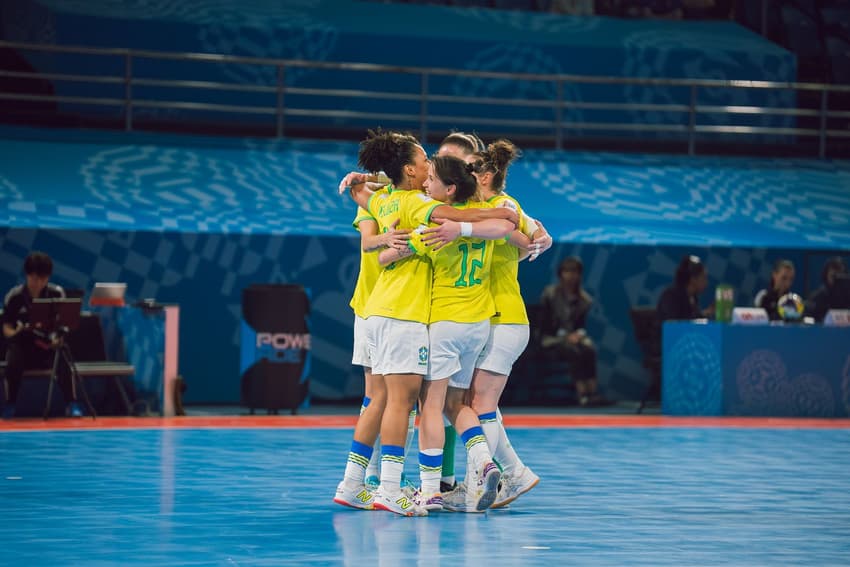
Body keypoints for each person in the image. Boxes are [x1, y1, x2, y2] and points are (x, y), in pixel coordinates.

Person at [337, 129, 518, 516]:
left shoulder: (384, 199)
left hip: (376, 309)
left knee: (380, 400)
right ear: (409, 170)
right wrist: (502, 213)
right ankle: (393, 488)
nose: (428, 166)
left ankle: (354, 483)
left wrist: (367, 187)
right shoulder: (418, 204)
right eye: (424, 162)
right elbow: (456, 215)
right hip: (408, 315)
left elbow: (372, 233)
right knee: (406, 404)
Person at [378, 154, 514, 512]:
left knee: (431, 406)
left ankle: (430, 491)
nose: (426, 184)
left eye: (432, 179)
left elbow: (385, 258)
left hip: (445, 323)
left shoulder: (435, 225)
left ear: (450, 189)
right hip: (478, 324)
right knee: (458, 404)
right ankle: (485, 462)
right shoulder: (485, 215)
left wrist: (387, 243)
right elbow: (508, 226)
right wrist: (468, 228)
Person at [2, 252, 82, 418]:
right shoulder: (14, 296)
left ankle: (72, 403)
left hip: (47, 346)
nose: (37, 283)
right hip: (23, 348)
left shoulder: (57, 294)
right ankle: (10, 404)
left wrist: (57, 339)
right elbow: (6, 327)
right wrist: (15, 332)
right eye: (34, 278)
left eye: (42, 278)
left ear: (48, 277)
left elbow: (63, 324)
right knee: (13, 359)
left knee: (63, 358)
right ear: (27, 275)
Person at [538, 256, 608, 407]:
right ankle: (582, 394)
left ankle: (593, 392)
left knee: (589, 349)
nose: (571, 275)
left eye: (574, 271)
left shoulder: (585, 300)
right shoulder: (550, 294)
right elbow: (544, 324)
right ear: (560, 274)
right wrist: (565, 336)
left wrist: (578, 334)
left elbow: (581, 326)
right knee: (573, 350)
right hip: (551, 338)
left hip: (574, 338)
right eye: (567, 271)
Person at [656, 254, 711, 322]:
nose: (706, 283)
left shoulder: (693, 298)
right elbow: (674, 324)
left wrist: (708, 312)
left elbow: (693, 321)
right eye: (704, 278)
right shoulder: (671, 296)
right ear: (693, 279)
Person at [805, 257, 849, 323]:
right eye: (833, 276)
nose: (837, 280)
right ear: (826, 275)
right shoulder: (817, 297)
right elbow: (807, 319)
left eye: (840, 276)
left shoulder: (847, 298)